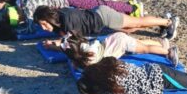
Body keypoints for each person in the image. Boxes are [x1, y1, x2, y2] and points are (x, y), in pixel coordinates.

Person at [0, 0, 143, 40]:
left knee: (100, 5)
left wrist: (17, 34)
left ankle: (131, 7)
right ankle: (125, 7)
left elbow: (31, 28)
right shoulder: (20, 0)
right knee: (97, 4)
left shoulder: (29, 9)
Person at [33, 5, 179, 40]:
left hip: (104, 17)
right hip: (99, 18)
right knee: (129, 29)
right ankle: (161, 23)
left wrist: (59, 44)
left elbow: (75, 41)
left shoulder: (67, 22)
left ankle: (168, 22)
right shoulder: (60, 18)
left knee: (137, 23)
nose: (43, 28)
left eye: (44, 24)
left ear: (50, 18)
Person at [44, 30, 179, 67]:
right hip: (115, 40)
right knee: (141, 43)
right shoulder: (86, 47)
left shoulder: (89, 59)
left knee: (145, 49)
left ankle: (168, 52)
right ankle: (161, 45)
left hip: (120, 44)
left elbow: (76, 60)